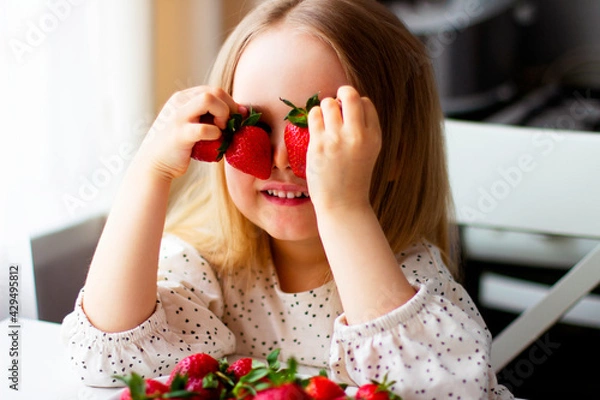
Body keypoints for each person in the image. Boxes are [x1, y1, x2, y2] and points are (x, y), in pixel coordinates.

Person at [62, 0, 513, 398]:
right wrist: (149, 172)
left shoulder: (409, 278)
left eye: (322, 131)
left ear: (395, 153)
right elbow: (108, 359)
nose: (280, 158)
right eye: (252, 125)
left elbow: (447, 391)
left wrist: (343, 206)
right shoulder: (208, 265)